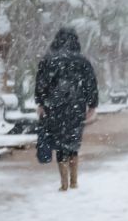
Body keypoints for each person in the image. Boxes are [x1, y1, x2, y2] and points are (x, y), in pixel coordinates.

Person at [33, 28, 99, 191]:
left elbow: (41, 83)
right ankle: (74, 179)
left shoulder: (49, 60)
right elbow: (90, 83)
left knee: (60, 141)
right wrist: (92, 104)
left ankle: (64, 183)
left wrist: (41, 102)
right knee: (73, 141)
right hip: (76, 105)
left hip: (54, 106)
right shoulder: (82, 61)